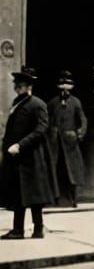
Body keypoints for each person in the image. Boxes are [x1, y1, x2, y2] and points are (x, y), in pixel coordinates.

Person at [1, 66, 55, 238]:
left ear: (29, 86)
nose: (17, 87)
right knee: (19, 194)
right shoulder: (17, 103)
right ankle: (18, 229)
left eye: (21, 84)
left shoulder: (38, 105)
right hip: (18, 158)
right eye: (16, 84)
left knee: (34, 196)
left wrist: (20, 145)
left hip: (31, 156)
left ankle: (38, 229)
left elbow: (41, 129)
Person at [46, 71, 86, 208]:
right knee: (55, 169)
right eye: (62, 86)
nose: (64, 90)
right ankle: (54, 198)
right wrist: (51, 132)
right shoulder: (52, 103)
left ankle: (73, 199)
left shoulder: (76, 102)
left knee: (72, 171)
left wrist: (79, 133)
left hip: (70, 143)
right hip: (55, 143)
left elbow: (83, 119)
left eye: (67, 86)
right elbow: (46, 121)